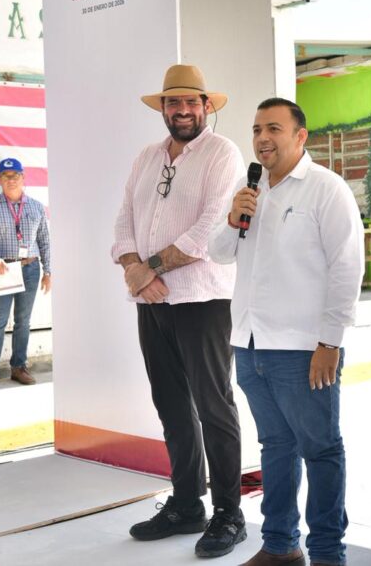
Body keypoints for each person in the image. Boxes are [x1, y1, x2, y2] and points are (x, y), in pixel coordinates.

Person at [208, 98, 364, 566]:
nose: (262, 138)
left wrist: (330, 342)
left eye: (273, 128)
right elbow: (219, 252)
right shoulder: (248, 189)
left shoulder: (325, 189)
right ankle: (279, 546)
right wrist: (233, 217)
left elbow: (347, 269)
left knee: (321, 450)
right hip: (250, 343)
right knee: (275, 447)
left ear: (300, 136)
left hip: (302, 349)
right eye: (257, 129)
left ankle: (327, 554)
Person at [111, 64, 247, 558]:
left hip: (203, 299)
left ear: (206, 106)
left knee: (213, 406)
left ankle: (229, 514)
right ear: (163, 108)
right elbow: (124, 221)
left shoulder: (222, 153)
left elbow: (210, 230)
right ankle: (187, 504)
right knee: (170, 404)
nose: (183, 110)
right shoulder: (147, 157)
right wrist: (134, 268)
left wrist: (145, 268)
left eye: (192, 102)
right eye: (174, 102)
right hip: (153, 301)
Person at [0, 157, 51, 391]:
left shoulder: (36, 207)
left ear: (23, 177)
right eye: (5, 176)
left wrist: (48, 271)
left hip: (30, 269)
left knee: (23, 321)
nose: (11, 180)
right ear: (0, 179)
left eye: (15, 175)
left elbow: (44, 241)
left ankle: (19, 367)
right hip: (3, 270)